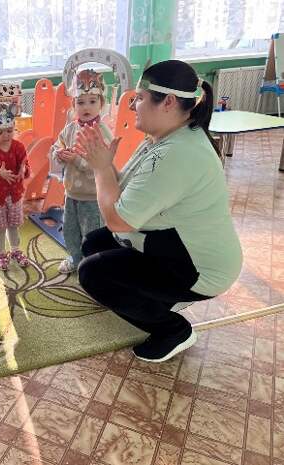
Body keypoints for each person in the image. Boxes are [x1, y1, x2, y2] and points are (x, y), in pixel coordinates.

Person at [75, 60, 242, 363]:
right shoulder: (167, 137)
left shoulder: (177, 153)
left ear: (168, 102)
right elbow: (123, 194)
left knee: (92, 273)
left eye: (139, 98)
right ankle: (157, 300)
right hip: (172, 245)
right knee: (93, 244)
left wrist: (100, 169)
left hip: (200, 268)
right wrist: (104, 164)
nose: (133, 105)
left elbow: (117, 220)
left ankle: (173, 330)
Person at [49, 69, 113, 274]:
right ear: (73, 105)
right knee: (70, 229)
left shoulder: (102, 133)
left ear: (101, 104)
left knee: (91, 232)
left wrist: (76, 160)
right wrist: (59, 154)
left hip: (92, 195)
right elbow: (56, 147)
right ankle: (75, 257)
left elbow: (101, 165)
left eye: (92, 101)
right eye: (81, 102)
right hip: (71, 193)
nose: (86, 107)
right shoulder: (69, 129)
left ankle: (92, 262)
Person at [0, 102, 30, 271]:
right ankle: (1, 253)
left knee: (14, 225)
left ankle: (15, 250)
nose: (6, 135)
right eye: (0, 132)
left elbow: (25, 166)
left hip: (15, 195)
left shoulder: (19, 146)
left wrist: (24, 170)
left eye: (9, 130)